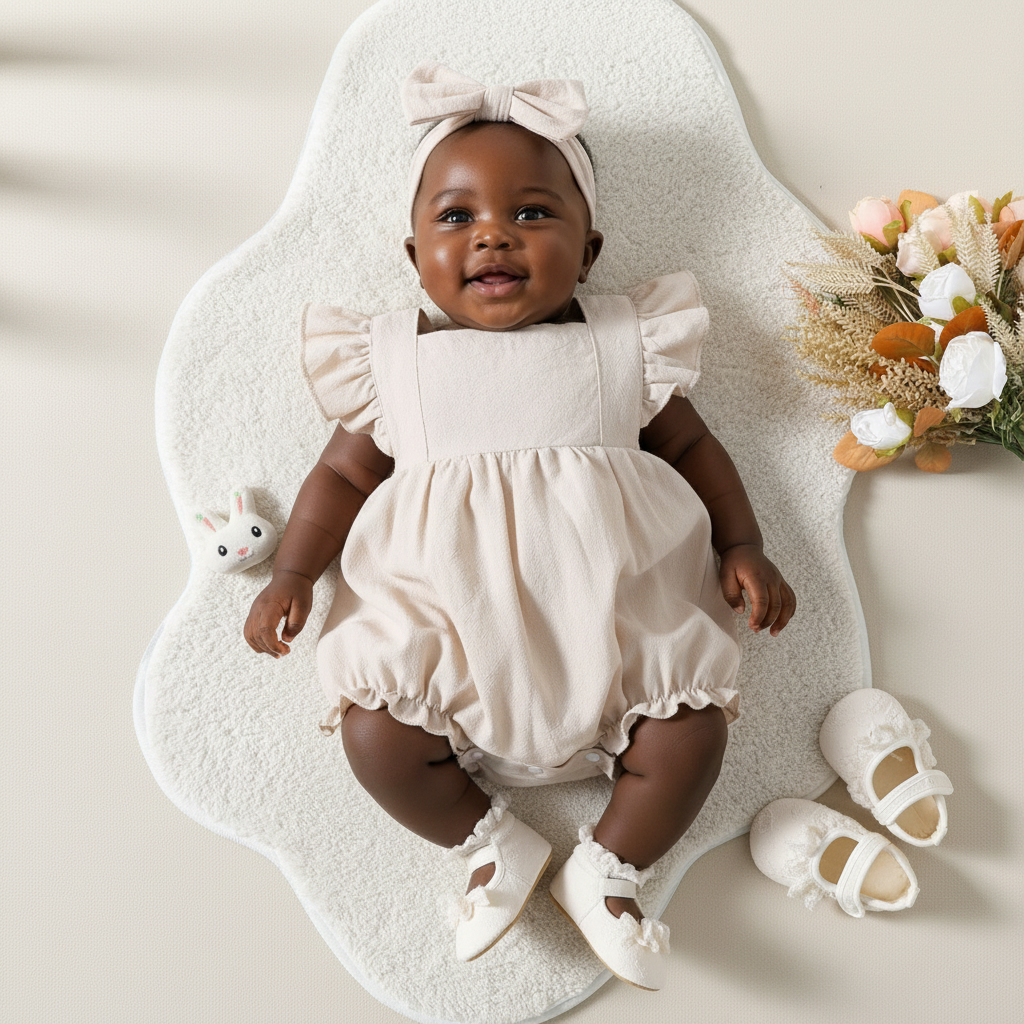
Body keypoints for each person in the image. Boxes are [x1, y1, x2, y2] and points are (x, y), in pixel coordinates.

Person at [244, 62, 795, 989]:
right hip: (445, 643)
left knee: (694, 731)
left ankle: (609, 868)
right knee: (373, 734)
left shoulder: (622, 345)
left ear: (589, 249)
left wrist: (744, 544)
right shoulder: (396, 364)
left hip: (619, 639)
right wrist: (294, 572)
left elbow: (697, 451)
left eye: (533, 213)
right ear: (414, 255)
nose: (492, 233)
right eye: (456, 217)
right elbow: (340, 474)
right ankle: (491, 843)